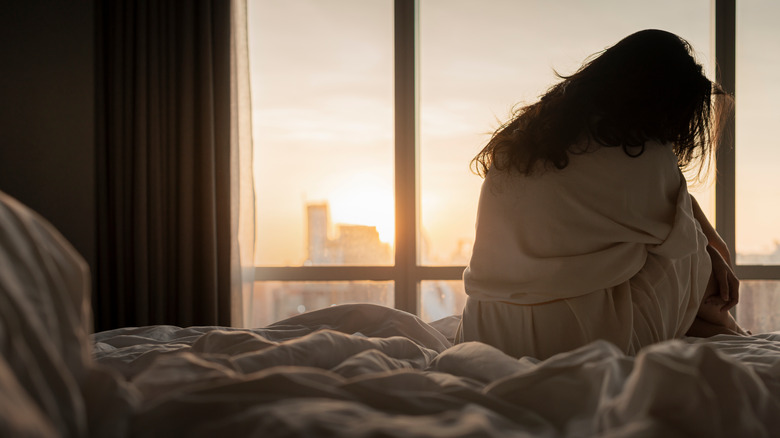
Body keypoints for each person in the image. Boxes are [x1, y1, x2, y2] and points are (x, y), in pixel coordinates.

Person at [455, 29, 749, 360]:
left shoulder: (527, 139)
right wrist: (713, 250)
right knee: (688, 250)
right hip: (569, 340)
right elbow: (689, 245)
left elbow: (676, 208)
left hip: (484, 330)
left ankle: (719, 329)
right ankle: (727, 329)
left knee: (668, 237)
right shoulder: (640, 153)